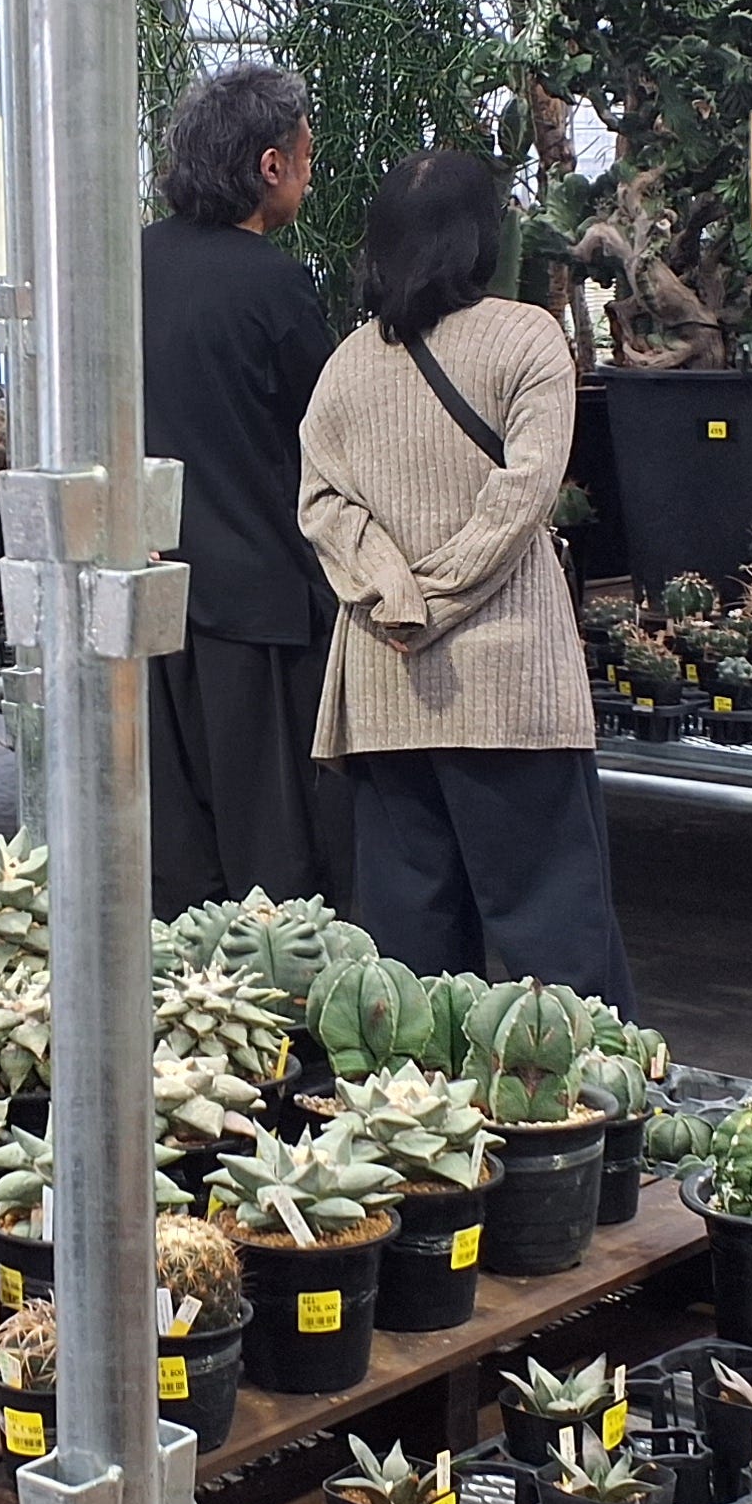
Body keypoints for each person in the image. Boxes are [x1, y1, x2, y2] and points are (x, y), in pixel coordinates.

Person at [296, 147, 634, 1008]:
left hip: (386, 684)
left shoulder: (344, 366)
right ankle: (569, 1092)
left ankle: (422, 1092)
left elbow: (322, 506)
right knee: (552, 940)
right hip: (510, 684)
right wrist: (441, 595)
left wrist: (398, 595)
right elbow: (524, 494)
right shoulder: (528, 337)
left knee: (410, 954)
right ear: (483, 235)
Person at [140, 61, 347, 911]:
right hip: (258, 601)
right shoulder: (273, 283)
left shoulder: (128, 264)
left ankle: (181, 986)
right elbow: (333, 427)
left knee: (176, 843)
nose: (309, 172)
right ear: (270, 165)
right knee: (274, 845)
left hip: (149, 589)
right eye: (306, 156)